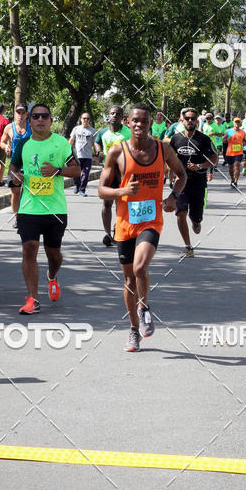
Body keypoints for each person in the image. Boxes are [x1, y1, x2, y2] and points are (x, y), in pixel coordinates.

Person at [98, 103, 186, 352]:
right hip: (125, 223)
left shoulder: (163, 149)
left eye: (144, 121)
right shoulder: (116, 152)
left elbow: (181, 175)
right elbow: (101, 190)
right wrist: (121, 191)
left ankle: (144, 305)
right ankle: (134, 329)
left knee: (139, 267)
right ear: (128, 122)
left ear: (150, 124)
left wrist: (172, 197)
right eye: (135, 121)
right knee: (128, 279)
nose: (139, 125)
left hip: (151, 221)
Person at [8, 103, 80, 314]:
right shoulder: (23, 144)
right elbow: (13, 167)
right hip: (28, 208)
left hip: (55, 210)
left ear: (50, 120)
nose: (40, 119)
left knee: (54, 254)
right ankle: (32, 299)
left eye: (44, 116)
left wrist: (57, 171)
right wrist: (15, 177)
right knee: (29, 249)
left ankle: (51, 276)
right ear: (30, 121)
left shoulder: (61, 144)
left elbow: (76, 170)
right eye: (35, 116)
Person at [169, 108, 217, 257]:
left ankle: (196, 221)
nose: (190, 121)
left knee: (195, 218)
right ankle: (188, 247)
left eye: (193, 118)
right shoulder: (175, 139)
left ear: (197, 121)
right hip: (181, 183)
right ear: (182, 120)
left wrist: (200, 166)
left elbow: (214, 158)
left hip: (198, 183)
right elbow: (169, 159)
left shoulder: (204, 139)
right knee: (180, 213)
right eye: (187, 118)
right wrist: (170, 177)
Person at [94, 106, 131, 246]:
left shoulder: (128, 132)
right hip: (108, 171)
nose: (114, 115)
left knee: (121, 203)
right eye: (112, 113)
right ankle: (107, 233)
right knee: (106, 203)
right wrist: (98, 152)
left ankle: (118, 229)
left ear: (123, 117)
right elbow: (97, 142)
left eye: (118, 113)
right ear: (108, 115)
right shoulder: (103, 132)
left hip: (123, 172)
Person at [1, 103, 31, 226]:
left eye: (23, 113)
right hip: (15, 165)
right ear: (15, 113)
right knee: (15, 191)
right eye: (18, 112)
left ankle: (30, 215)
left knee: (30, 192)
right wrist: (5, 147)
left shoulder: (32, 127)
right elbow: (1, 142)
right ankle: (17, 216)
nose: (20, 115)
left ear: (27, 114)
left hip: (30, 164)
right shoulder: (9, 128)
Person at [69, 112, 96, 196]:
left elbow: (95, 143)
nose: (86, 120)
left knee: (86, 173)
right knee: (76, 173)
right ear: (81, 119)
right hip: (77, 155)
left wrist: (96, 154)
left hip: (88, 156)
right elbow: (71, 140)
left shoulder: (92, 130)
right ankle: (77, 185)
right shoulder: (76, 129)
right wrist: (67, 151)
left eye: (88, 119)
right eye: (84, 118)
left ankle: (82, 190)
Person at [224, 117, 246, 187]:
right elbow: (223, 141)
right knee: (230, 168)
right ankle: (232, 179)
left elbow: (244, 140)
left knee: (237, 166)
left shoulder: (242, 132)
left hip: (238, 152)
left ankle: (236, 181)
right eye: (235, 122)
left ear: (240, 123)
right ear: (233, 123)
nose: (237, 123)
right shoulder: (228, 131)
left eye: (238, 122)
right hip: (229, 152)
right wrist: (227, 139)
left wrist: (244, 143)